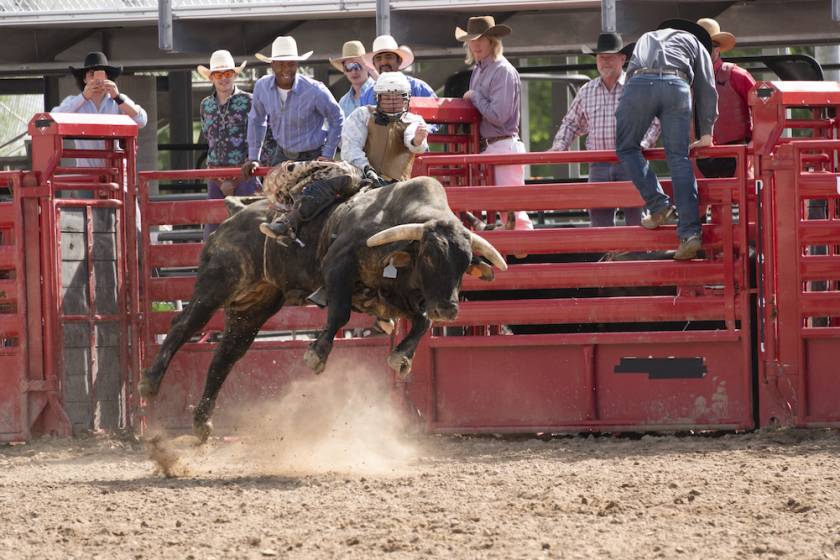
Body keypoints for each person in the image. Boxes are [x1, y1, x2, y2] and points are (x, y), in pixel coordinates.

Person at [616, 19, 718, 261]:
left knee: (627, 148)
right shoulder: (696, 44)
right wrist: (706, 132)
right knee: (679, 159)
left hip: (639, 83)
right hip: (677, 85)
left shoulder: (648, 35)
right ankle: (690, 234)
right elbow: (706, 86)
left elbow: (630, 78)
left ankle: (659, 204)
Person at [550, 32, 660, 227]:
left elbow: (655, 120)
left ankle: (636, 256)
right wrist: (559, 146)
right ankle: (606, 257)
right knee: (599, 225)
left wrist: (643, 144)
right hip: (598, 165)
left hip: (631, 162)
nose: (604, 61)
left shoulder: (636, 87)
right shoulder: (587, 90)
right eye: (601, 57)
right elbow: (571, 123)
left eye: (610, 57)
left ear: (623, 58)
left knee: (637, 222)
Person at [456, 15, 532, 233]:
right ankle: (521, 254)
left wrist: (475, 96)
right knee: (505, 209)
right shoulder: (480, 70)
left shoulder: (502, 70)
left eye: (481, 39)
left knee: (513, 210)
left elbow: (498, 115)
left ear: (492, 41)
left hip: (503, 144)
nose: (476, 44)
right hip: (491, 145)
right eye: (472, 40)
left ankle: (529, 252)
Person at [242, 36, 343, 178]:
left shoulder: (314, 90)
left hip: (313, 155)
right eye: (281, 64)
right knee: (276, 197)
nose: (286, 69)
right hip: (282, 153)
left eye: (291, 64)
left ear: (297, 64)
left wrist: (327, 154)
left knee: (311, 198)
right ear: (272, 64)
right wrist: (253, 157)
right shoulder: (262, 87)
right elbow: (256, 120)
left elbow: (337, 118)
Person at [197, 50, 259, 240]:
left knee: (248, 229)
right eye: (218, 74)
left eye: (228, 74)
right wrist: (220, 179)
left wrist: (237, 178)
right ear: (211, 78)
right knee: (213, 233)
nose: (223, 79)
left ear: (234, 75)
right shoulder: (205, 105)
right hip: (215, 177)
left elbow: (260, 138)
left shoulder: (249, 101)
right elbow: (209, 140)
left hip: (245, 174)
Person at [53, 51, 148, 170]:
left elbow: (142, 120)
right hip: (86, 176)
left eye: (102, 74)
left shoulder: (119, 101)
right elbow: (53, 119)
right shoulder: (74, 102)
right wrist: (83, 97)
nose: (97, 79)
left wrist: (117, 97)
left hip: (116, 174)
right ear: (84, 79)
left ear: (108, 78)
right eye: (92, 74)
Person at [341, 72, 429, 185]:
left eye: (397, 97)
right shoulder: (362, 115)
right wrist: (367, 169)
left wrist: (417, 141)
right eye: (387, 97)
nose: (392, 101)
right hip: (361, 179)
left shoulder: (415, 121)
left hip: (399, 186)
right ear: (378, 98)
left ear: (406, 98)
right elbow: (351, 147)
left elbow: (413, 142)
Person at [695, 18, 756, 178]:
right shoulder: (684, 81)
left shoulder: (737, 75)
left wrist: (753, 145)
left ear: (717, 48)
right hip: (697, 157)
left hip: (737, 155)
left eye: (706, 46)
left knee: (745, 199)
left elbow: (764, 110)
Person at [358, 35, 436, 105]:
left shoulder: (419, 89)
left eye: (389, 57)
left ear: (399, 61)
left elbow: (436, 118)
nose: (384, 62)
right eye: (378, 58)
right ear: (374, 64)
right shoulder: (367, 96)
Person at [331, 40, 375, 118]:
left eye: (358, 65)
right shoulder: (343, 102)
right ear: (344, 70)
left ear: (366, 66)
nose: (354, 71)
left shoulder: (378, 90)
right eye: (349, 67)